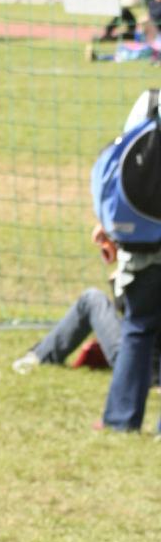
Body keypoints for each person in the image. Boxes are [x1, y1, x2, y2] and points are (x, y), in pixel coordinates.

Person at [96, 91, 161, 433]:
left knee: (138, 328)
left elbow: (124, 170)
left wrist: (107, 226)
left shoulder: (148, 102)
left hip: (143, 243)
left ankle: (121, 418)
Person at [13, 224, 123, 373]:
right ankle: (41, 355)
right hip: (143, 350)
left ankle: (40, 356)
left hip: (136, 358)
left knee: (91, 300)